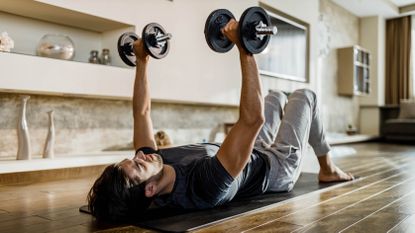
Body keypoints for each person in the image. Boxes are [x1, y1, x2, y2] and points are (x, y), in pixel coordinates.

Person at [87, 19, 354, 222]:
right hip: (277, 167)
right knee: (304, 96)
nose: (140, 156)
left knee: (273, 96)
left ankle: (321, 160)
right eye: (137, 165)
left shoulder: (152, 168)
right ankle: (327, 168)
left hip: (256, 151)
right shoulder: (202, 186)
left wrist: (143, 60)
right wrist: (244, 46)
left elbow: (141, 112)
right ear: (150, 190)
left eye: (132, 159)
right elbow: (252, 120)